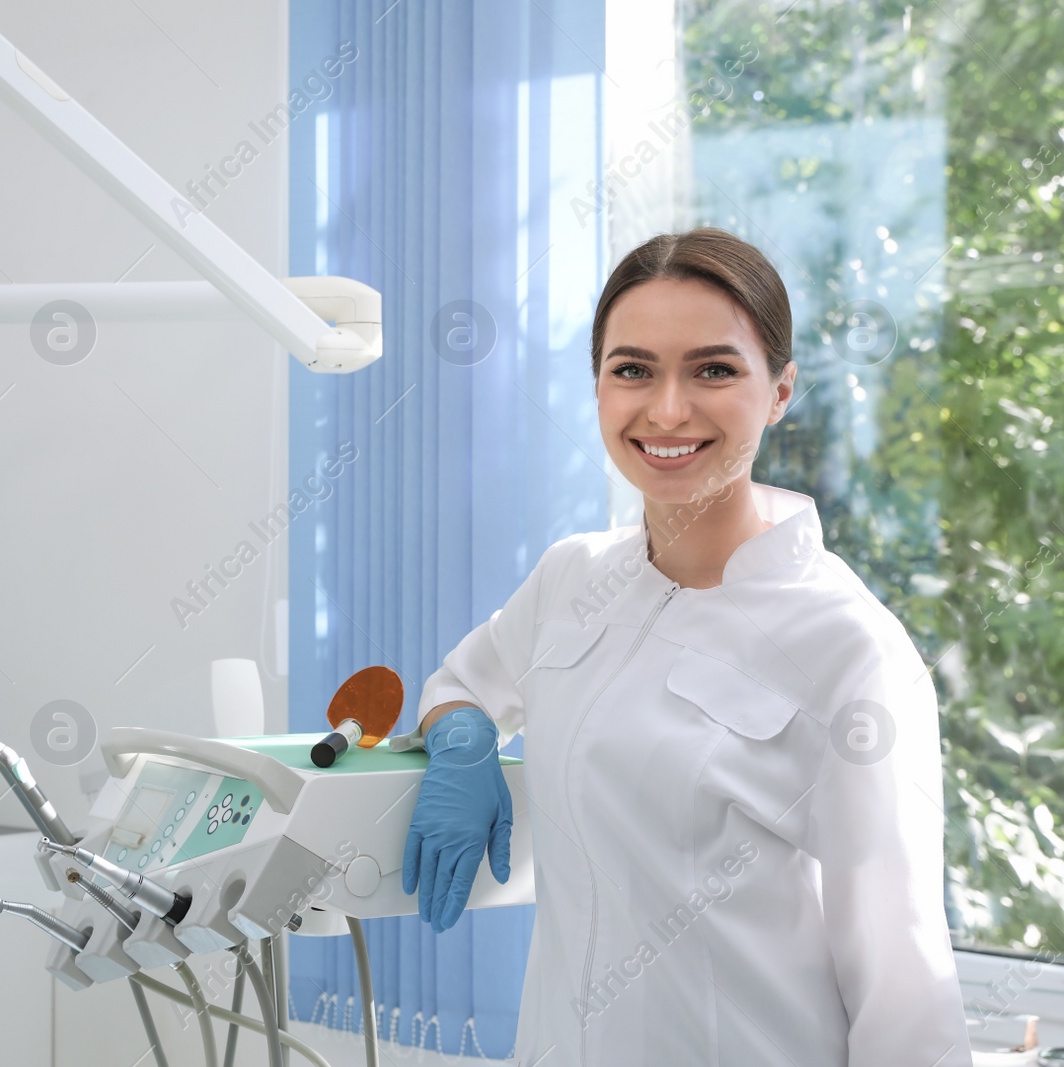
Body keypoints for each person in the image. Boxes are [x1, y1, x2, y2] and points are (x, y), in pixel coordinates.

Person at [397, 228, 973, 1065]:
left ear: (779, 391)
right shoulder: (573, 579)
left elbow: (904, 984)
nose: (667, 410)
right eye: (632, 369)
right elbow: (463, 682)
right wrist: (461, 737)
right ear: (597, 385)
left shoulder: (849, 649)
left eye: (714, 369)